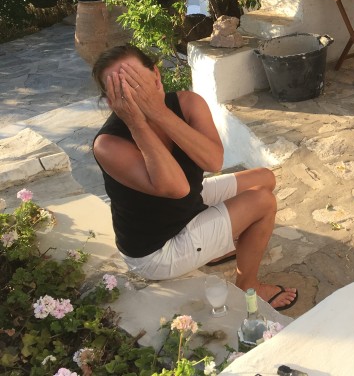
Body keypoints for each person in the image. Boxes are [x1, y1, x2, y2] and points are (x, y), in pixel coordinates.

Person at [91, 45, 298, 310]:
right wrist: (138, 123)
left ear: (156, 74)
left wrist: (159, 112)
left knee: (264, 178)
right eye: (121, 88)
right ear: (111, 101)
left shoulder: (188, 103)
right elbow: (177, 188)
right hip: (158, 251)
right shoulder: (109, 144)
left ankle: (215, 249)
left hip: (187, 206)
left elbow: (213, 161)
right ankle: (248, 286)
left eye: (136, 80)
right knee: (263, 201)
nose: (133, 91)